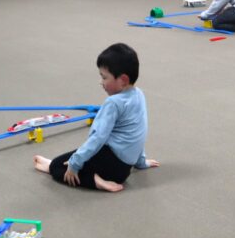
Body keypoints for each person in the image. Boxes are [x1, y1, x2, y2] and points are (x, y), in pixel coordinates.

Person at [34, 43, 158, 193]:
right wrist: (141, 162)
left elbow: (97, 138)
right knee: (72, 158)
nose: (101, 82)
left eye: (104, 77)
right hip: (124, 170)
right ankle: (59, 165)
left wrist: (74, 164)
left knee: (59, 166)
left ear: (123, 80)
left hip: (109, 167)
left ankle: (95, 181)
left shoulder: (113, 103)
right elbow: (138, 132)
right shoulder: (139, 94)